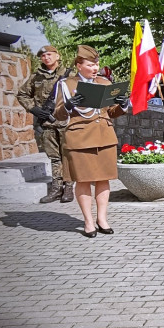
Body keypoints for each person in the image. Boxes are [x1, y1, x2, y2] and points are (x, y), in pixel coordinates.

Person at [53, 45, 128, 237]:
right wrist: (68, 105)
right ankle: (88, 221)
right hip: (80, 139)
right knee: (83, 180)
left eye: (96, 64)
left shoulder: (104, 82)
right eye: (90, 65)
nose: (95, 68)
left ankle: (102, 219)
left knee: (103, 179)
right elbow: (58, 115)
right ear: (79, 66)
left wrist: (123, 105)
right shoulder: (67, 84)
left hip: (104, 137)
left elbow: (111, 112)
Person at [17, 45, 74, 203]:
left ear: (57, 56)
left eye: (49, 54)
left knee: (68, 155)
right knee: (54, 157)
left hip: (65, 122)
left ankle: (69, 188)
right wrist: (33, 109)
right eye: (43, 56)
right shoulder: (36, 77)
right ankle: (56, 189)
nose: (46, 57)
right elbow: (22, 94)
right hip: (46, 123)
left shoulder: (69, 75)